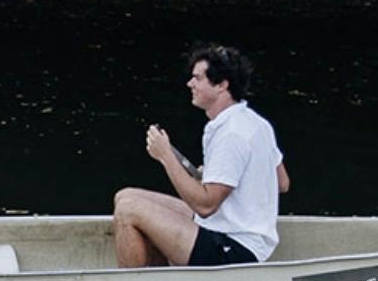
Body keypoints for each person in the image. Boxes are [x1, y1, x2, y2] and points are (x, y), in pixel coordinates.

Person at [112, 43, 289, 267]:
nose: (190, 84)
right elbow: (281, 182)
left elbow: (205, 206)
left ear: (222, 85)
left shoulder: (231, 134)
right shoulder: (256, 122)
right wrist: (223, 176)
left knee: (129, 211)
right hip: (228, 232)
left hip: (234, 248)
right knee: (125, 196)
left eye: (198, 78)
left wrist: (166, 155)